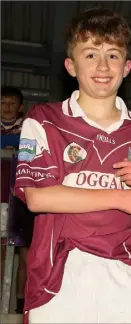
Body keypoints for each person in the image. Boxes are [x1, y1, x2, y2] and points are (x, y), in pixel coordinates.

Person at [14, 8, 131, 323]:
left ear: (127, 66)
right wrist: (121, 197)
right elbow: (38, 197)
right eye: (91, 55)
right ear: (71, 65)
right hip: (58, 273)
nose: (103, 66)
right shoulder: (42, 119)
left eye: (113, 55)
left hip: (123, 272)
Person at [1, 86, 32, 314]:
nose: (7, 107)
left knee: (26, 257)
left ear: (20, 107)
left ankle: (22, 306)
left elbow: (33, 156)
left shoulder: (30, 130)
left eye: (12, 103)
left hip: (20, 200)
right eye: (3, 103)